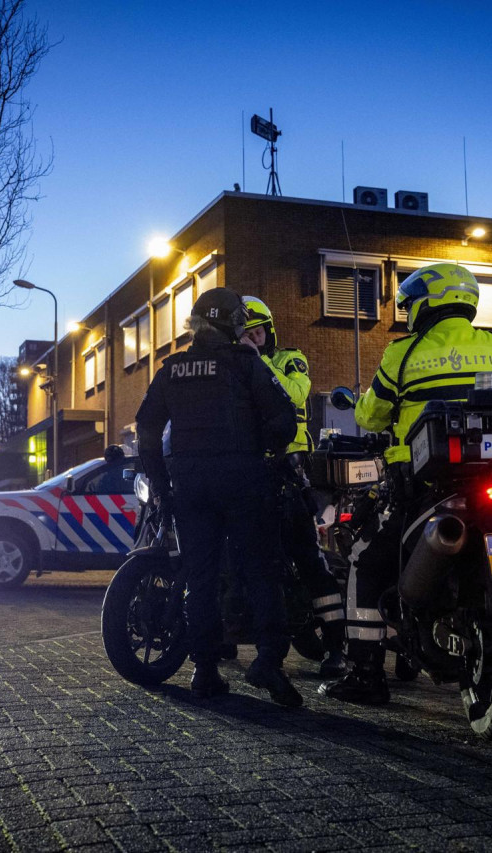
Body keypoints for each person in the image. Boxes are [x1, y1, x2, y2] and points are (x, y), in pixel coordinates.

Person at [319, 262, 492, 704]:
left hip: (425, 482)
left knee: (366, 561)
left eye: (410, 306)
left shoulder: (404, 352)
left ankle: (365, 674)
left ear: (427, 304)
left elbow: (370, 415)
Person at [135, 288, 304, 708]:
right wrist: (258, 447)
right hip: (244, 480)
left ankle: (205, 671)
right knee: (262, 572)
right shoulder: (245, 363)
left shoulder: (171, 368)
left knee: (201, 578)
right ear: (232, 323)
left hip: (189, 485)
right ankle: (268, 661)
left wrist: (161, 482)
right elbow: (284, 422)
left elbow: (146, 427)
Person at [240, 296, 347, 677]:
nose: (251, 339)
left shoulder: (288, 359)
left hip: (292, 468)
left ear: (267, 331)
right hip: (250, 469)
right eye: (244, 334)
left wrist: (256, 358)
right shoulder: (237, 366)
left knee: (308, 556)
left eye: (256, 332)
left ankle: (337, 647)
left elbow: (295, 394)